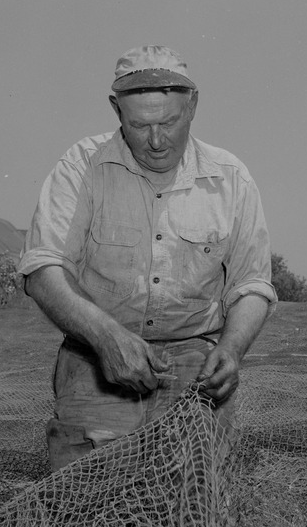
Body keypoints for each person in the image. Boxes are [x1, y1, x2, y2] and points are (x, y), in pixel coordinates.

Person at [17, 45, 277, 471]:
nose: (156, 142)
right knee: (85, 502)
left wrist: (230, 350)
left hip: (195, 361)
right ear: (116, 110)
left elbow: (251, 284)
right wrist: (106, 339)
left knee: (194, 495)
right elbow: (43, 269)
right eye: (140, 125)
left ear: (193, 105)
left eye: (169, 122)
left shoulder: (231, 177)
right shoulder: (80, 166)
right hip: (96, 352)